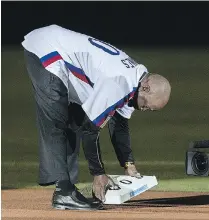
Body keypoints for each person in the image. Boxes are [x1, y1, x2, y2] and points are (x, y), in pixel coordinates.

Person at [22, 24, 171, 211]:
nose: (145, 109)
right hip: (46, 47)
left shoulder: (137, 78)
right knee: (57, 121)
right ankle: (64, 193)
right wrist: (98, 173)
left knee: (74, 121)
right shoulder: (120, 82)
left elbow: (119, 124)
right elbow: (90, 130)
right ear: (147, 87)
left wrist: (128, 163)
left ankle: (66, 190)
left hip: (63, 57)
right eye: (147, 105)